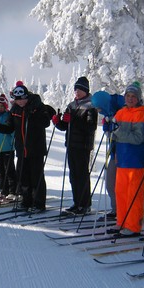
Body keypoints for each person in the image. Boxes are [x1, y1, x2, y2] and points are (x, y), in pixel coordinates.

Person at [52, 76, 98, 215]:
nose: (77, 92)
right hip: (71, 144)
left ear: (86, 91)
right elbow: (66, 126)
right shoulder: (72, 105)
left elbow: (90, 127)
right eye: (76, 89)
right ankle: (77, 202)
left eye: (80, 89)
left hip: (83, 145)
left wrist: (73, 120)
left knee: (82, 175)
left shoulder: (91, 106)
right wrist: (57, 122)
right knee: (74, 176)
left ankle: (85, 204)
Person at [109, 81, 144, 236]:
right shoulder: (122, 112)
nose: (130, 99)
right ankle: (122, 221)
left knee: (134, 193)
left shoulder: (141, 113)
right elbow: (114, 129)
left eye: (134, 96)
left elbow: (138, 138)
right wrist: (109, 126)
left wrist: (117, 131)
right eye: (128, 95)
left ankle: (133, 225)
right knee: (121, 192)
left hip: (135, 160)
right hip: (122, 159)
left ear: (138, 98)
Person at [9, 81, 53, 212]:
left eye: (23, 99)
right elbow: (10, 127)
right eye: (18, 100)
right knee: (23, 177)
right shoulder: (15, 109)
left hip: (36, 149)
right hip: (21, 150)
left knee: (36, 176)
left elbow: (46, 121)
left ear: (27, 97)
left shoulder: (36, 106)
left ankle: (39, 203)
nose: (21, 102)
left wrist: (34, 116)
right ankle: (26, 201)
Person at [91, 90, 125, 219]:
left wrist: (114, 129)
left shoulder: (121, 109)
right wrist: (107, 129)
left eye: (99, 108)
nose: (99, 111)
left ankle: (121, 212)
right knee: (110, 183)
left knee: (119, 185)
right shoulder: (109, 112)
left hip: (124, 154)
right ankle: (115, 210)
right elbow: (112, 134)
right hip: (114, 152)